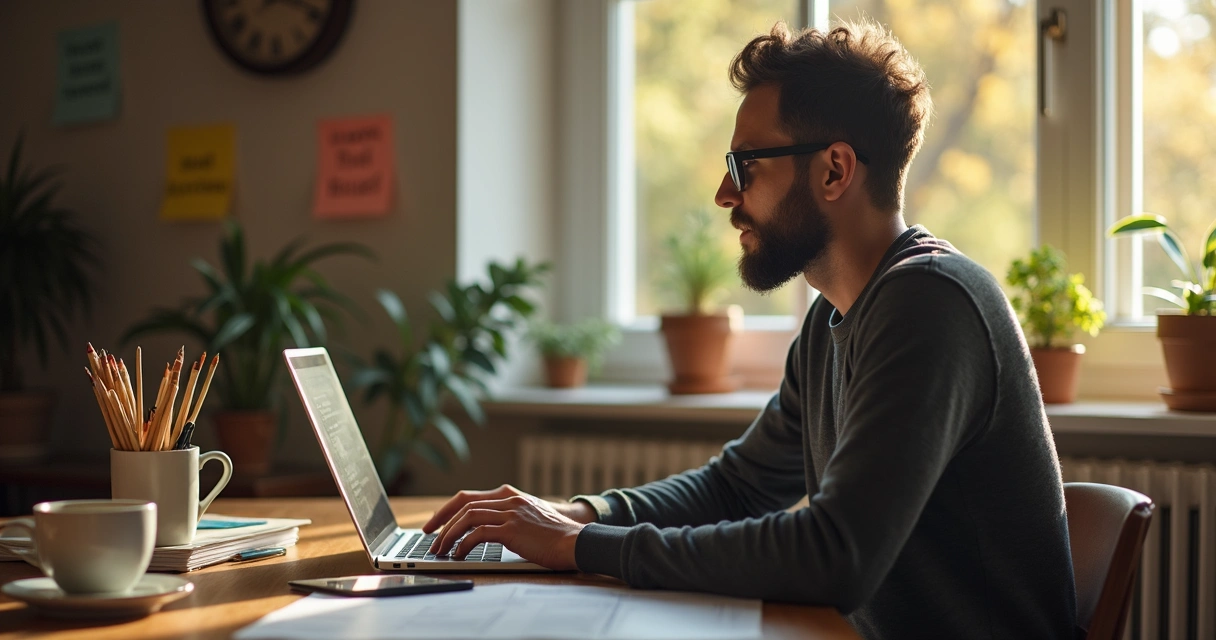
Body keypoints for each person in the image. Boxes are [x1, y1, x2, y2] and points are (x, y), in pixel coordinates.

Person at [423, 18, 1078, 639]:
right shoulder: (834, 320)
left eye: (745, 166)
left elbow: (833, 554)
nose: (723, 195)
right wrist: (583, 515)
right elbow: (738, 486)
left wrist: (578, 548)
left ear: (834, 170)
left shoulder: (932, 305)